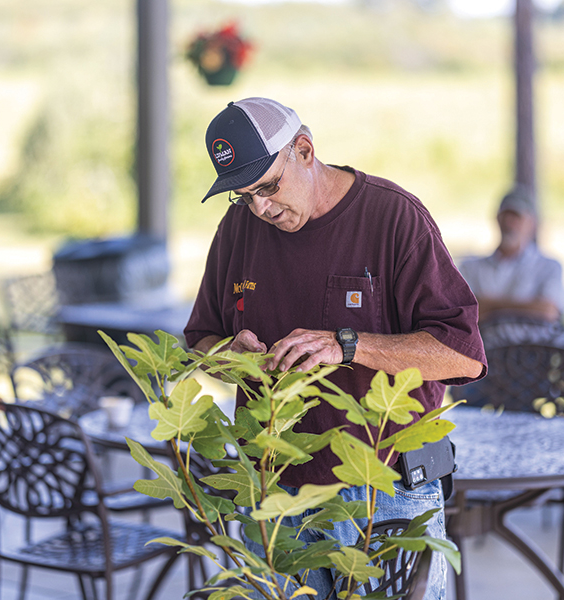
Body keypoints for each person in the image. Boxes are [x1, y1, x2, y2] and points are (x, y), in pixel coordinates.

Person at [184, 97, 487, 599]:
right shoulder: (239, 228)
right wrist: (230, 354)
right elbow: (200, 340)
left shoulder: (393, 218)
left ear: (303, 149)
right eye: (242, 196)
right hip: (275, 490)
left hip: (384, 491)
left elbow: (462, 354)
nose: (260, 208)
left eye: (267, 187)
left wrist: (348, 345)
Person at [459, 185, 564, 326]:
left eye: (517, 217)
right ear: (497, 219)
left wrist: (489, 306)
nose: (509, 223)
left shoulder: (549, 266)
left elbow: (548, 311)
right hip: (487, 347)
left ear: (532, 223)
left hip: (534, 346)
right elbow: (464, 313)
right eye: (506, 216)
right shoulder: (471, 267)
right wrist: (526, 307)